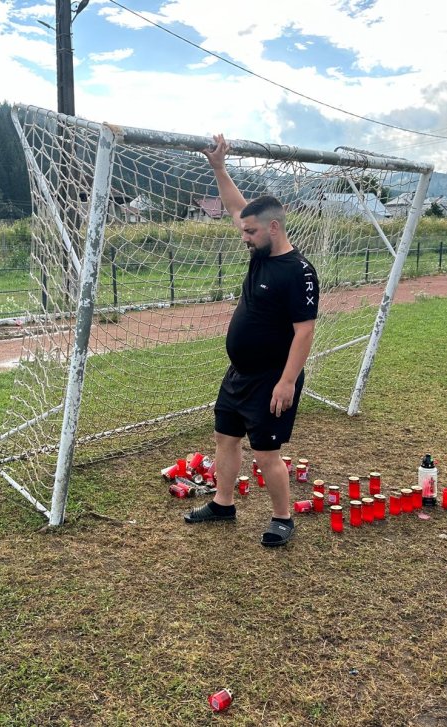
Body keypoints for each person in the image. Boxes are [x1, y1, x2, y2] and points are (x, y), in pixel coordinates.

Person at [184, 134, 319, 547]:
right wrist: (219, 168)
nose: (244, 236)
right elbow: (233, 205)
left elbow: (305, 331)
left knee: (265, 453)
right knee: (225, 437)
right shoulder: (258, 252)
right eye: (244, 230)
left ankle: (282, 518)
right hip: (239, 373)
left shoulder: (299, 271)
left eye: (251, 231)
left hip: (272, 378)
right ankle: (223, 504)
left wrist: (286, 382)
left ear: (273, 227)